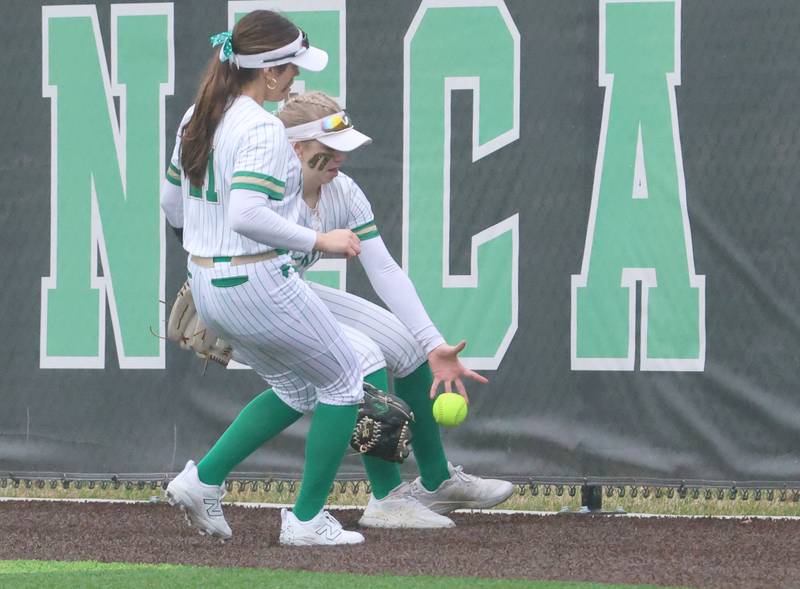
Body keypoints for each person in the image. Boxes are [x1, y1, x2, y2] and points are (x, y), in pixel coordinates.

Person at [186, 91, 514, 533]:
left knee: (406, 346)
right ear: (295, 148)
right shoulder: (265, 189)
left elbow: (383, 267)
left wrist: (435, 342)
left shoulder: (341, 191)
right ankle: (386, 497)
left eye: (344, 148)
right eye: (329, 150)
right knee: (359, 360)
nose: (340, 158)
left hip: (288, 291)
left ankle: (436, 481)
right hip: (253, 298)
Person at [160, 11, 367, 546]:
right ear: (269, 73)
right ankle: (306, 521)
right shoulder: (261, 128)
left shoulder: (195, 116)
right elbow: (248, 214)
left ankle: (202, 480)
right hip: (254, 279)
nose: (295, 78)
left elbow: (170, 203)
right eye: (292, 68)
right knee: (344, 380)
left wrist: (205, 258)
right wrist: (322, 241)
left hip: (210, 282)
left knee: (297, 386)